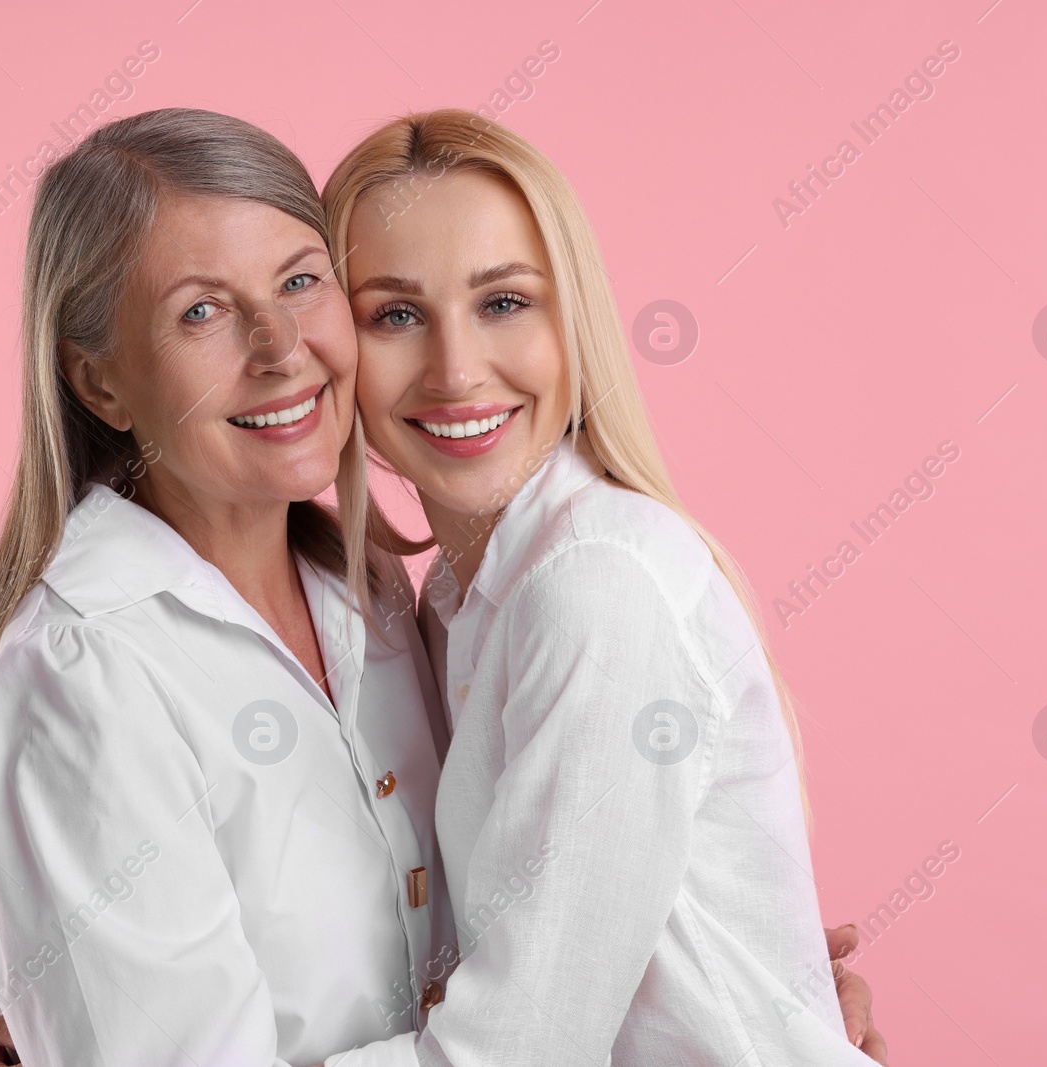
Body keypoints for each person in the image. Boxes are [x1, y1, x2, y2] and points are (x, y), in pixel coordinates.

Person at [0, 107, 887, 1066]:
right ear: (99, 386)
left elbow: (525, 1019)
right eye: (201, 310)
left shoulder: (425, 595)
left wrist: (743, 989)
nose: (280, 348)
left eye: (299, 283)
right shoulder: (99, 661)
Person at [314, 110, 880, 1064]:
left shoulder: (592, 586)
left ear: (573, 320)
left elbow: (513, 1049)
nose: (457, 370)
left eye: (504, 302)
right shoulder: (453, 603)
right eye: (396, 314)